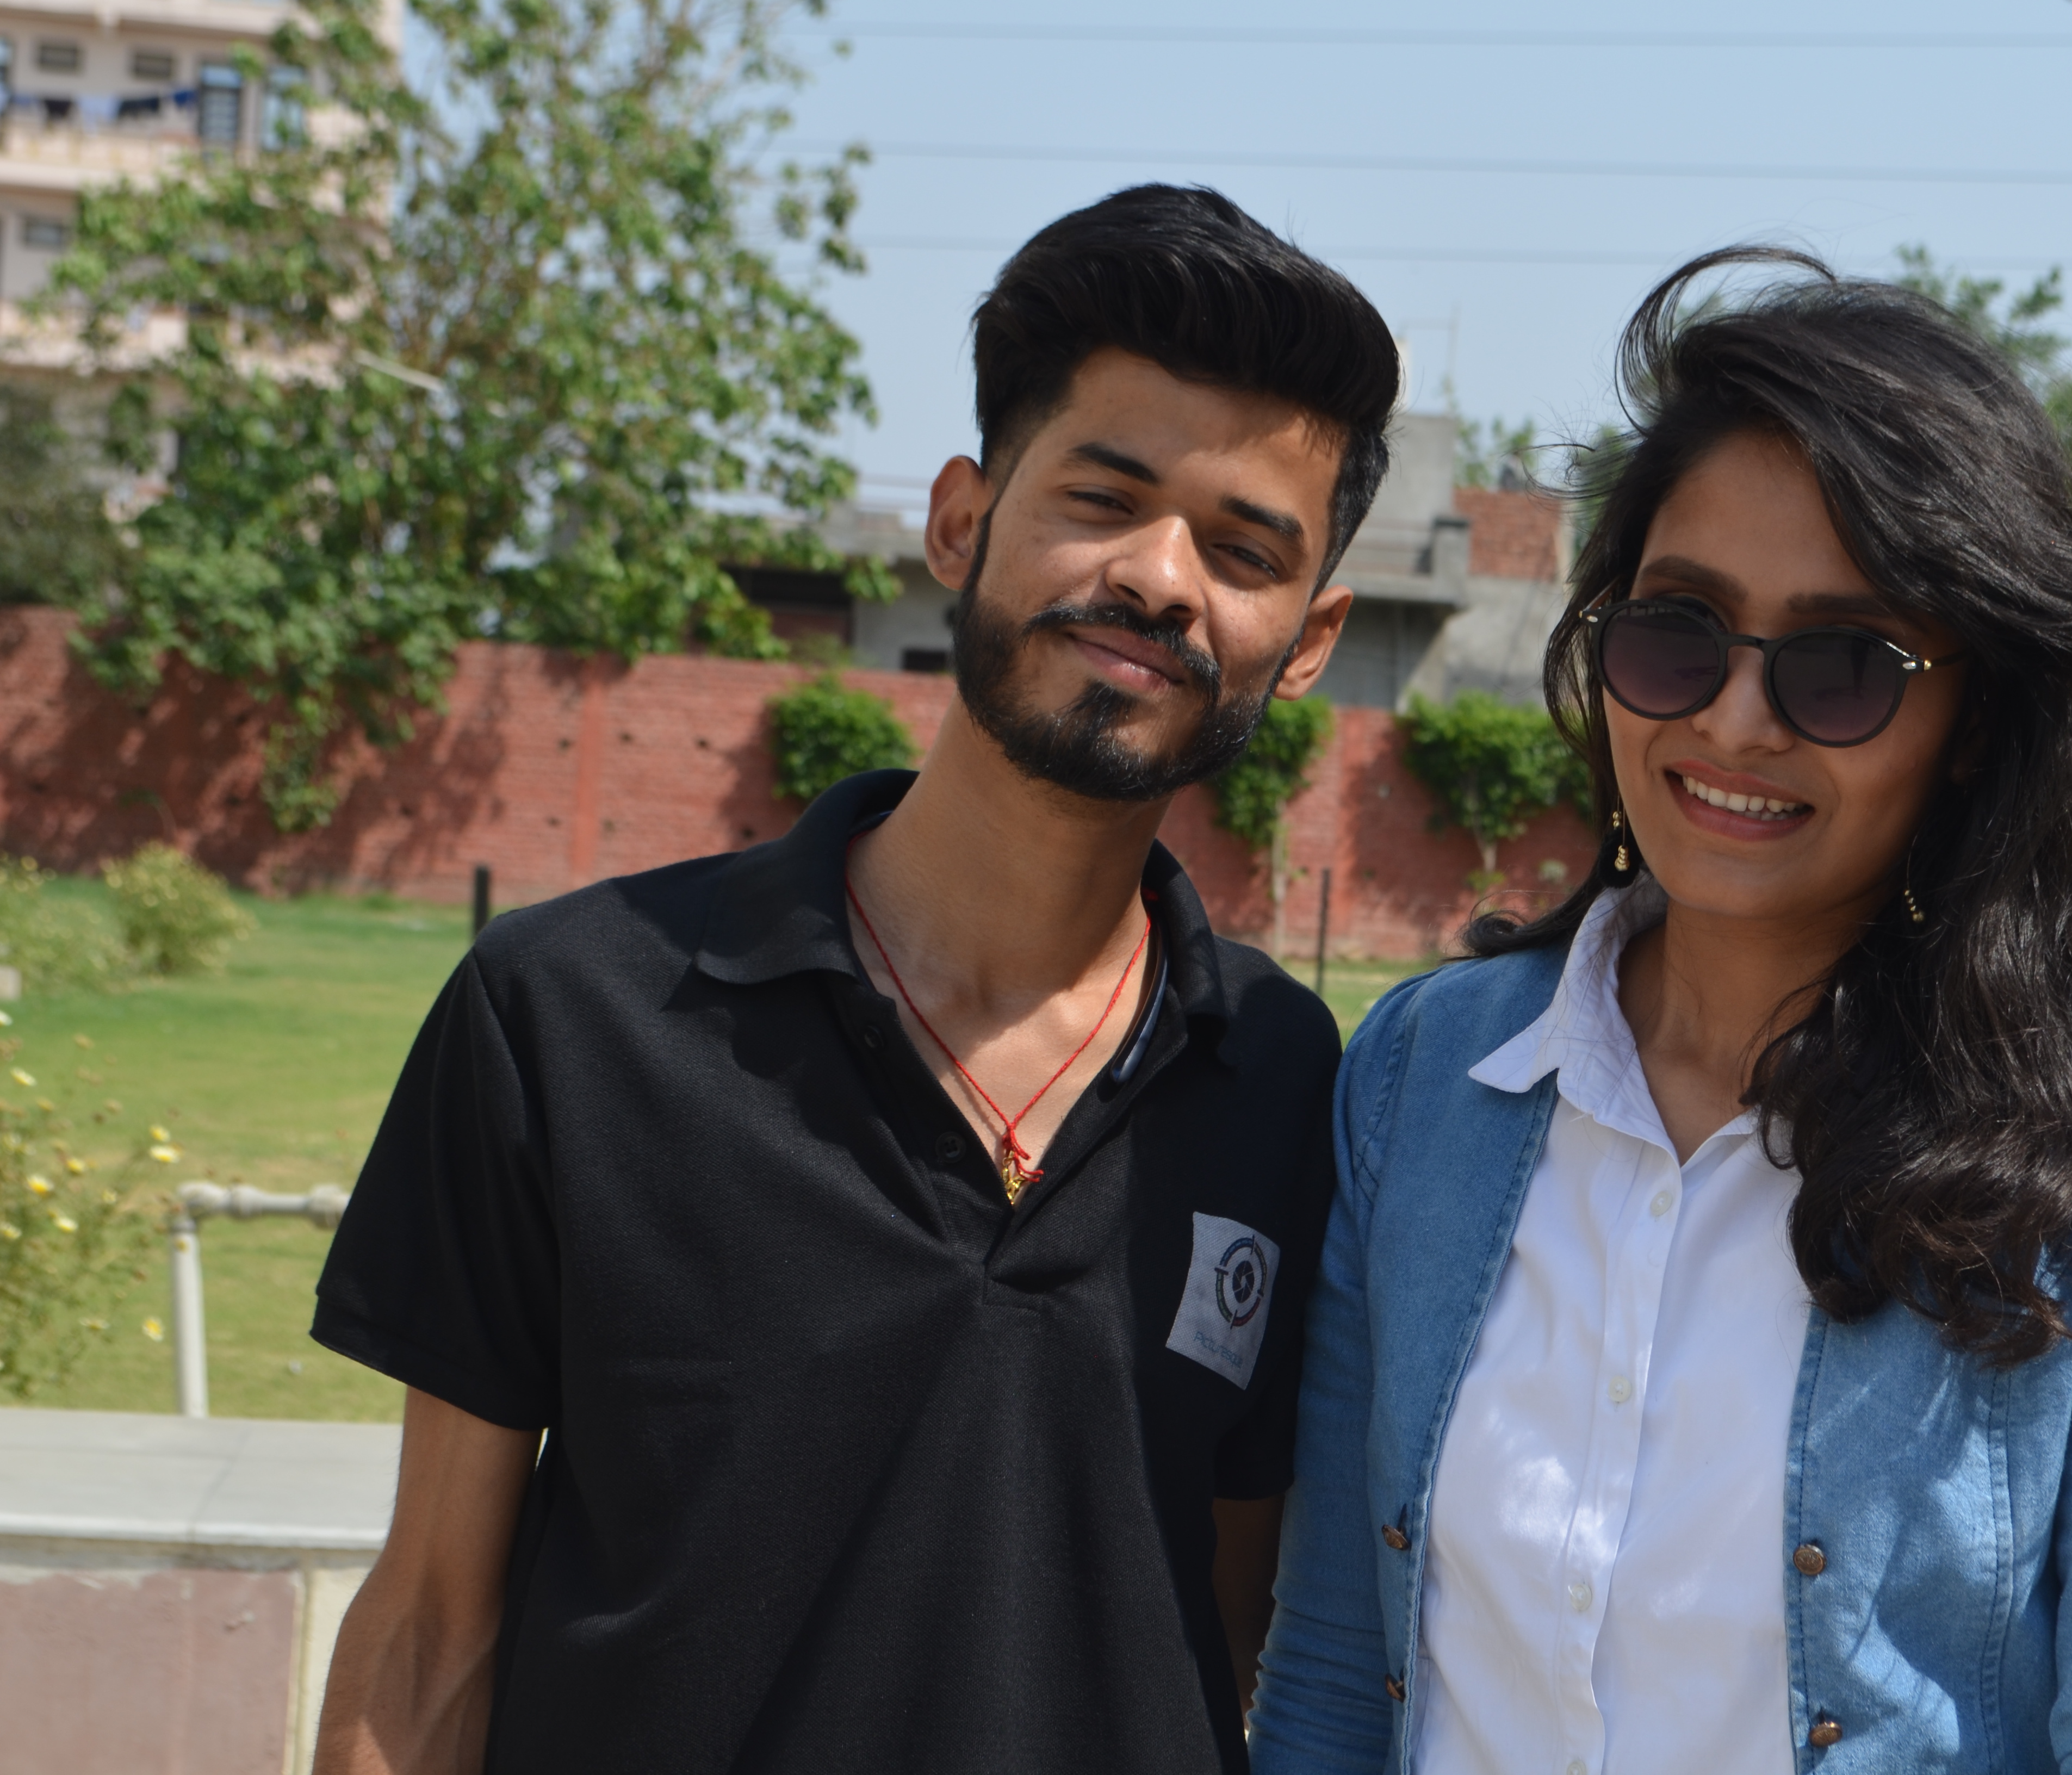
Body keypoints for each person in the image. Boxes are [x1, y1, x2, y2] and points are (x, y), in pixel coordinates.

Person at [308, 183, 1399, 1775]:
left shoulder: (1293, 1081)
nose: (1163, 578)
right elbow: (427, 1636)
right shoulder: (572, 1014)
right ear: (961, 523)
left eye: (1244, 550)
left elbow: (1223, 1618)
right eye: (1104, 497)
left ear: (1308, 639)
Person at [1247, 250, 2072, 1775]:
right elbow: (1336, 1678)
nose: (1733, 719)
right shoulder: (1426, 1079)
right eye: (1677, 628)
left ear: (1976, 719)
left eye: (1843, 665)